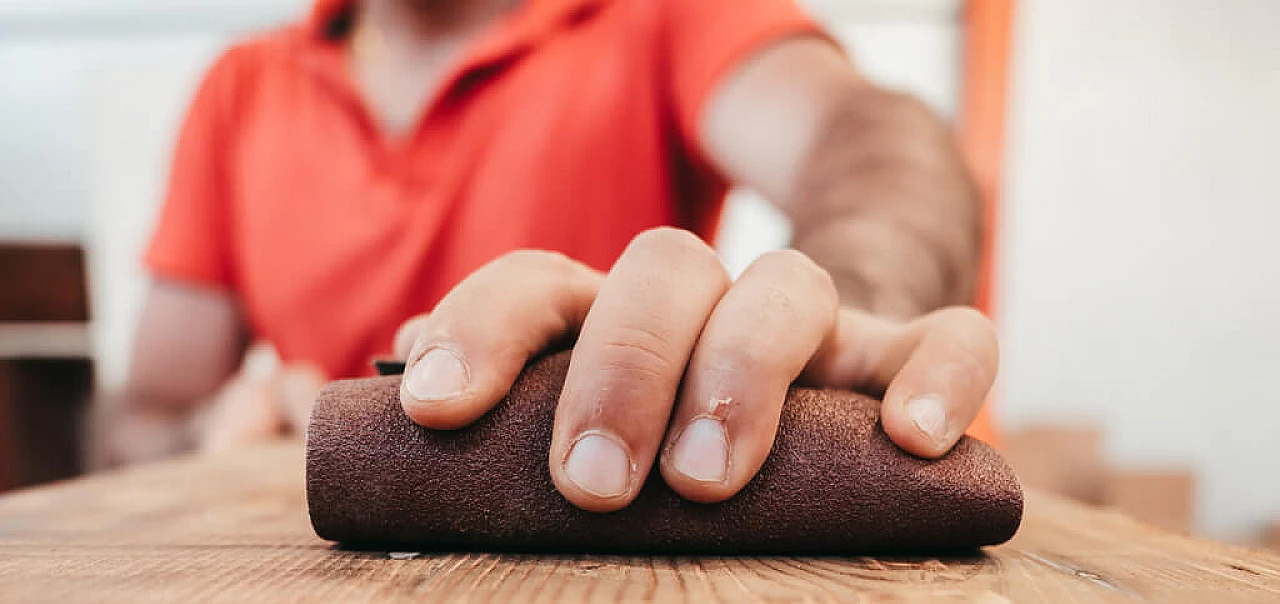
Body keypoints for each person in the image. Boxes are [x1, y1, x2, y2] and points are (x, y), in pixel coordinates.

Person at [117, 0, 997, 514]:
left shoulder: (656, 17)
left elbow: (876, 145)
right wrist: (213, 430)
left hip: (612, 594)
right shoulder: (242, 87)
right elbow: (144, 416)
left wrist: (834, 316)